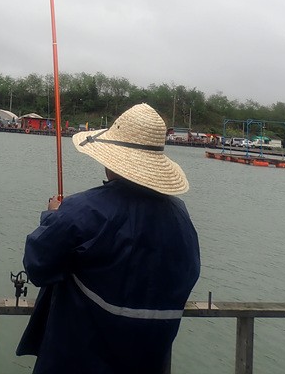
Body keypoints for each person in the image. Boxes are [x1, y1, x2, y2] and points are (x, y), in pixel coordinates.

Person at [16, 103, 200, 374]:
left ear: (111, 159)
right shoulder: (180, 215)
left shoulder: (84, 210)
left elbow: (37, 265)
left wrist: (53, 216)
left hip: (77, 361)